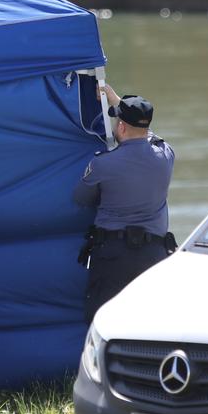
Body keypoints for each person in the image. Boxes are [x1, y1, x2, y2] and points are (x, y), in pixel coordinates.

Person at [73, 83, 176, 321]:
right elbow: (151, 135)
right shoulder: (166, 155)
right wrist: (119, 103)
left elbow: (80, 198)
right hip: (154, 256)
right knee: (149, 323)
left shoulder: (103, 164)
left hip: (113, 256)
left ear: (120, 126)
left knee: (103, 321)